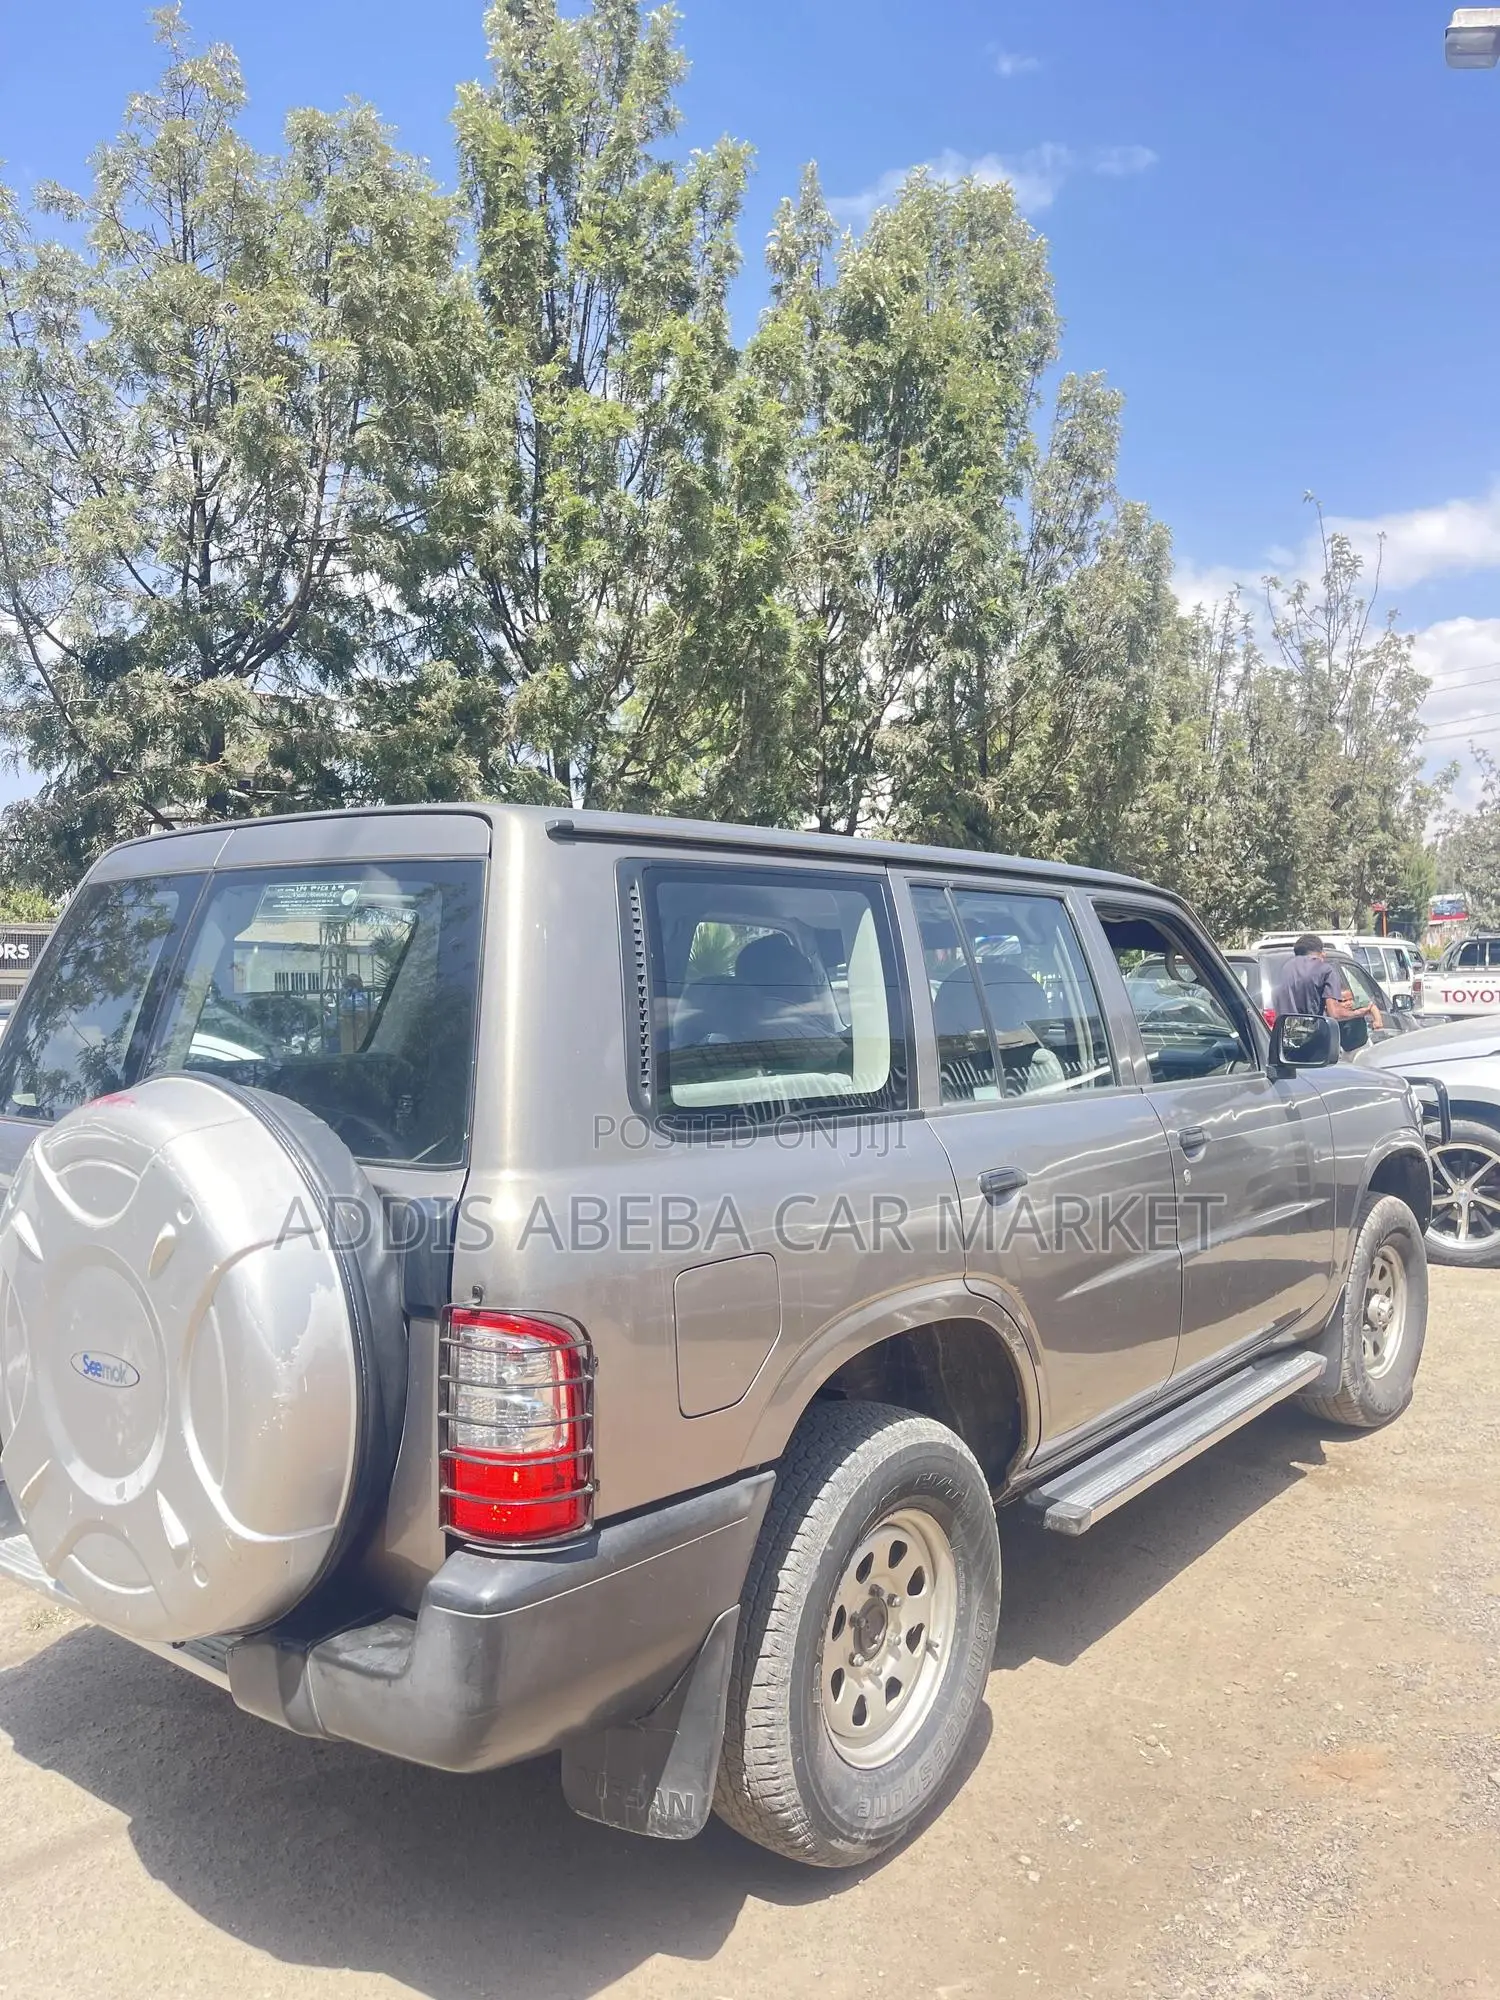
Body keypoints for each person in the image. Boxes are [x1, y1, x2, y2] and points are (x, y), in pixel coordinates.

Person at [1271, 934, 1382, 1032]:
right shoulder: (1325, 970)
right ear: (1321, 953)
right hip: (1310, 1038)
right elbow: (1335, 1013)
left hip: (1282, 1037)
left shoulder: (1284, 968)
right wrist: (1359, 1013)